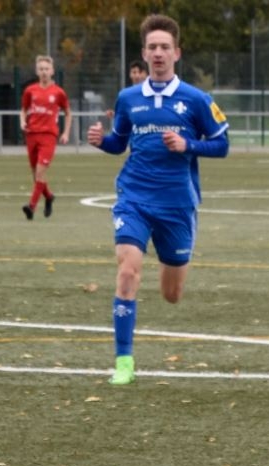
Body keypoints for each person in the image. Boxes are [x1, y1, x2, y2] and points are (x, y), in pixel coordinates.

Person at [87, 14, 229, 386]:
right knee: (128, 269)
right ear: (144, 54)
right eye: (153, 47)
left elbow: (223, 144)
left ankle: (170, 269)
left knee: (172, 295)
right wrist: (103, 142)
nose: (159, 53)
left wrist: (188, 145)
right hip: (134, 195)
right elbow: (120, 142)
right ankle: (124, 362)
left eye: (165, 46)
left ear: (177, 53)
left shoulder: (196, 100)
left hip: (177, 204)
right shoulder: (128, 98)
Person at [19, 55, 71, 220]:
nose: (44, 72)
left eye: (46, 69)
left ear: (52, 71)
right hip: (32, 134)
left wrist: (65, 133)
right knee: (36, 175)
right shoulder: (30, 91)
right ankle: (48, 197)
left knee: (40, 172)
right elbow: (23, 109)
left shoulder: (58, 92)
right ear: (36, 71)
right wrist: (22, 122)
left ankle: (31, 207)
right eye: (41, 69)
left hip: (48, 135)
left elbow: (68, 113)